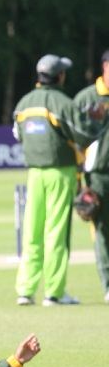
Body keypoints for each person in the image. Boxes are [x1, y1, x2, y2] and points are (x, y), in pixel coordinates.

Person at [12, 54, 97, 307]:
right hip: (61, 171)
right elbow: (83, 134)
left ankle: (25, 291)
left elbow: (18, 134)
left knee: (32, 232)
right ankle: (54, 292)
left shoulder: (24, 102)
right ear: (59, 76)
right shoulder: (62, 102)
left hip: (34, 173)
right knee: (56, 232)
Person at [73, 48, 109, 304]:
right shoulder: (87, 98)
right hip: (98, 176)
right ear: (104, 67)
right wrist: (77, 184)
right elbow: (74, 140)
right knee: (104, 232)